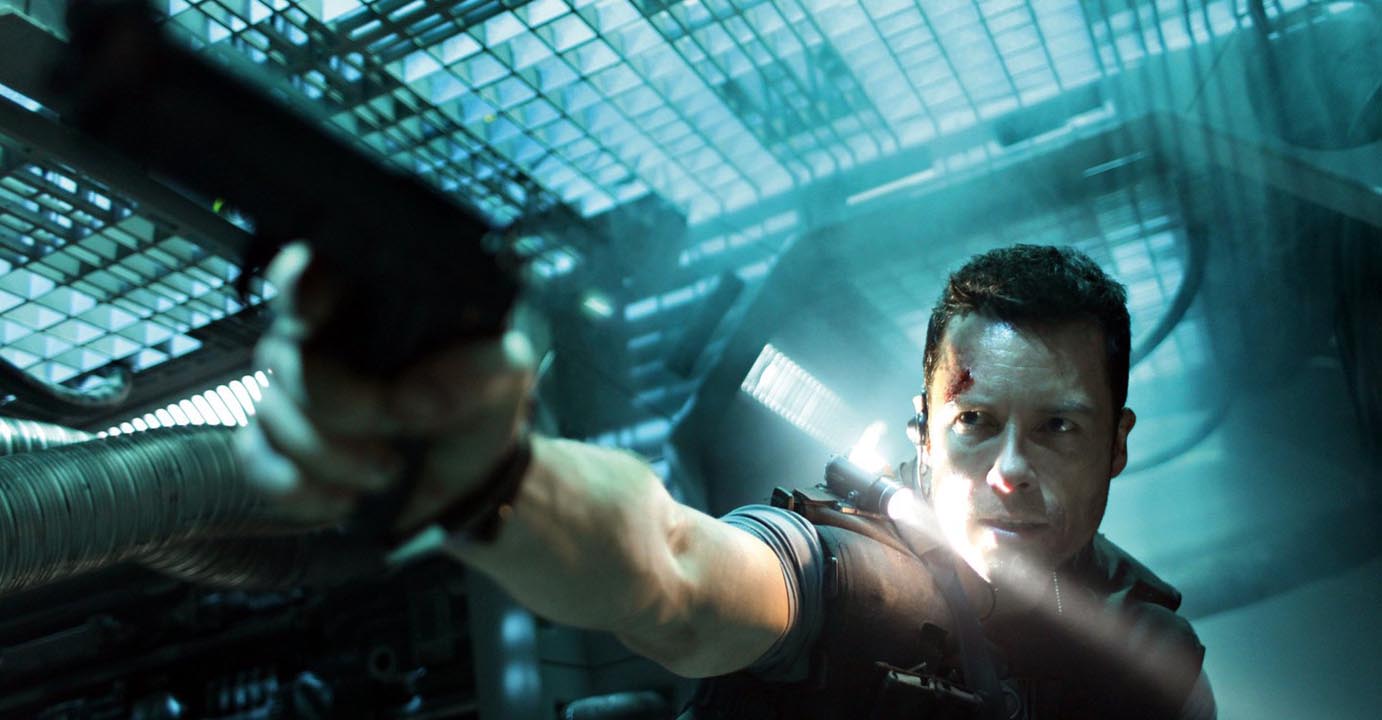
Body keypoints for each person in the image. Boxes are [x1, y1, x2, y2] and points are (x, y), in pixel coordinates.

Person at [237, 243, 1215, 719]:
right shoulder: (851, 575)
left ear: (1115, 446)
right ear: (922, 439)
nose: (1009, 472)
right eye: (974, 424)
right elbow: (680, 571)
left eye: (1057, 428)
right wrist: (489, 480)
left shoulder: (1153, 652)